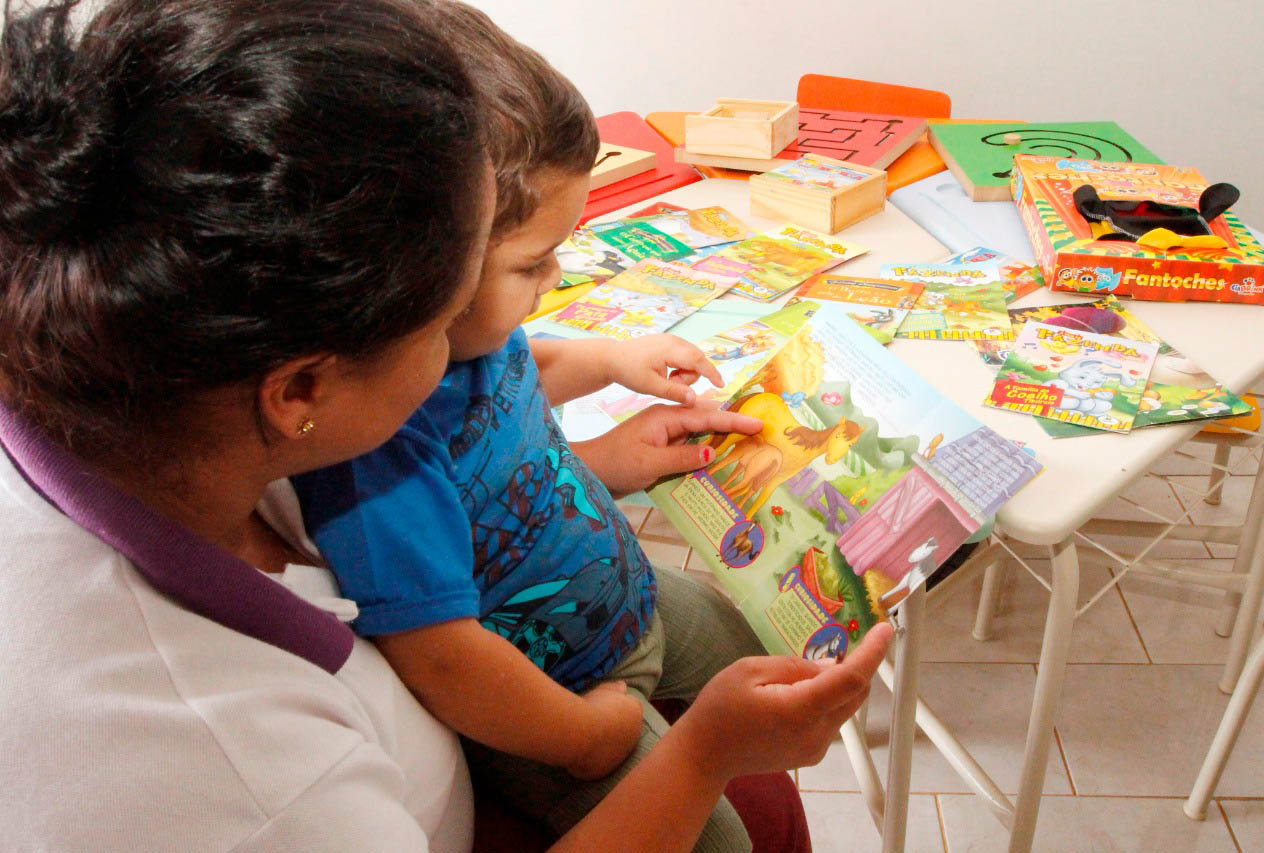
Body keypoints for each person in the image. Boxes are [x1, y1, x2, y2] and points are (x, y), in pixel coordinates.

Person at [0, 1, 892, 850]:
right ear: (304, 387)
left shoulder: (166, 389)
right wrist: (692, 760)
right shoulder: (255, 783)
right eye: (442, 319)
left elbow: (496, 439)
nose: (479, 340)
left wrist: (595, 452)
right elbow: (448, 651)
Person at [290, 6, 779, 847]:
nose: (553, 280)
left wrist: (612, 358)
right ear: (426, 268)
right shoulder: (375, 442)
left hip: (628, 595)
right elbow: (441, 656)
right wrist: (585, 738)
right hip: (550, 698)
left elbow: (528, 367)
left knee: (756, 653)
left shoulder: (475, 334)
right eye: (531, 264)